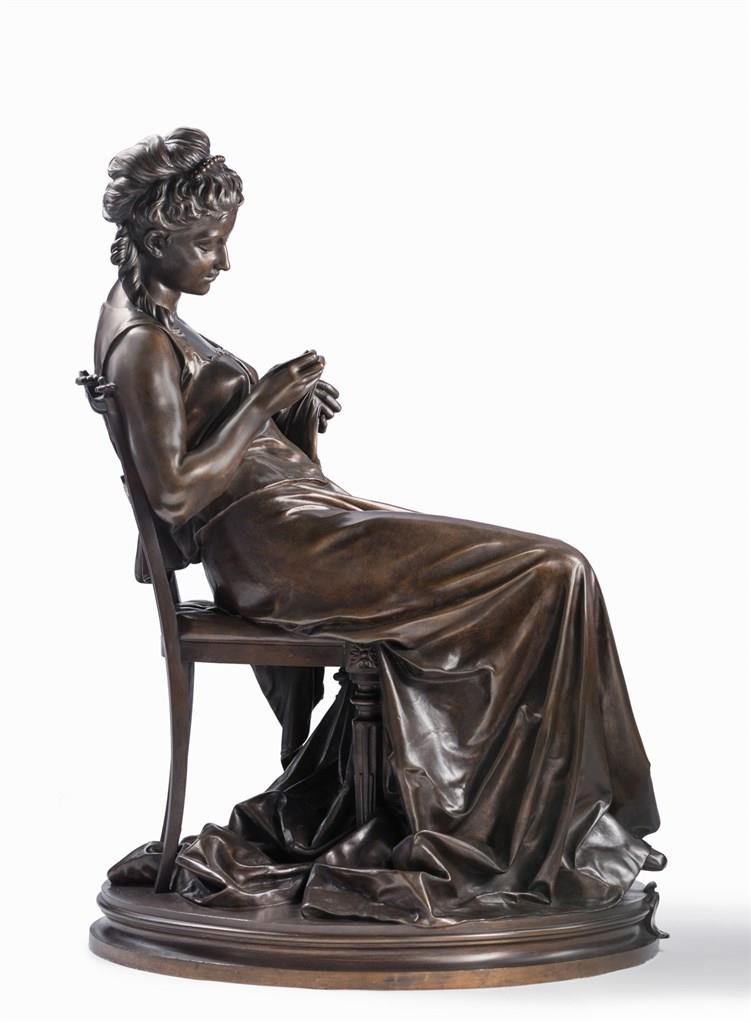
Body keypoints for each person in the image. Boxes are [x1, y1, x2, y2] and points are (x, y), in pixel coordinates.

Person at [98, 127, 665, 926]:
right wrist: (262, 400)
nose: (223, 260)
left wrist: (290, 417)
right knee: (552, 572)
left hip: (302, 520)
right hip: (281, 551)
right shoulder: (138, 344)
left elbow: (219, 450)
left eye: (224, 240)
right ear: (158, 238)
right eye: (207, 243)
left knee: (554, 572)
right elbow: (173, 495)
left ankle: (540, 825)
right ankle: (524, 832)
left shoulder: (163, 319)